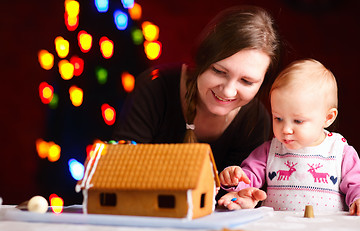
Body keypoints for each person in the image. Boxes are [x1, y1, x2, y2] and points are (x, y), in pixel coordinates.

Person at [113, 5, 281, 183]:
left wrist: (242, 196)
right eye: (218, 71)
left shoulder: (256, 120)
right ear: (201, 59)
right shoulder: (154, 88)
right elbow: (121, 169)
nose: (228, 91)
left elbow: (235, 194)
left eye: (246, 81)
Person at [218, 59, 360, 215]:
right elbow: (248, 179)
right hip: (279, 229)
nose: (285, 129)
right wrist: (236, 179)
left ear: (328, 118)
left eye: (298, 121)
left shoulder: (340, 152)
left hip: (326, 229)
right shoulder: (270, 150)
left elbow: (357, 183)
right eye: (278, 118)